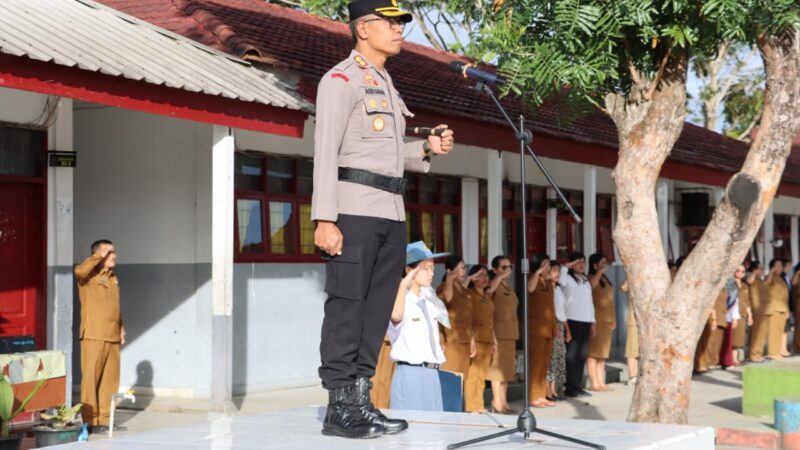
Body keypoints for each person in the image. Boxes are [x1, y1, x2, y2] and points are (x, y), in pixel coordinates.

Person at [312, 0, 455, 439]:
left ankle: (361, 401)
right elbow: (326, 152)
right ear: (363, 28)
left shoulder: (387, 85)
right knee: (347, 308)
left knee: (375, 312)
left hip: (391, 212)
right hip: (352, 212)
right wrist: (324, 218)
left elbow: (386, 156)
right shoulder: (340, 80)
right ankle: (339, 407)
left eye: (400, 23)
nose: (398, 30)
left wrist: (425, 148)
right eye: (389, 22)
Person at [387, 242, 449, 411]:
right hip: (411, 373)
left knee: (435, 425)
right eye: (426, 268)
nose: (432, 273)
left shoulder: (428, 302)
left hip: (432, 373)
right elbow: (395, 316)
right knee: (413, 426)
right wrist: (403, 284)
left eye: (432, 268)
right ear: (409, 270)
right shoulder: (400, 301)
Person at [75, 239, 126, 434]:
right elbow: (80, 271)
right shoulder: (88, 276)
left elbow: (115, 307)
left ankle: (105, 419)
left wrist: (121, 328)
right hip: (93, 334)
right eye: (109, 252)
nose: (114, 255)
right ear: (97, 255)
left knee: (110, 381)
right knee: (91, 380)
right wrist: (98, 256)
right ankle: (90, 421)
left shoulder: (113, 278)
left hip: (112, 335)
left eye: (114, 252)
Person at [486, 255, 519, 414]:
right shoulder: (494, 283)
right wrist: (499, 277)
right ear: (495, 269)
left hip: (510, 332)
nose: (507, 270)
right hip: (498, 332)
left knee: (507, 370)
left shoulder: (507, 287)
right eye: (503, 267)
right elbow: (489, 291)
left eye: (509, 267)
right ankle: (496, 401)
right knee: (496, 369)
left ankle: (503, 401)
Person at [561, 252, 596, 398]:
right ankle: (570, 387)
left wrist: (593, 322)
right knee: (572, 354)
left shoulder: (585, 281)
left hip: (585, 320)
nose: (581, 265)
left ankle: (577, 385)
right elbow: (561, 279)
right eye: (578, 262)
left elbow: (590, 303)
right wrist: (567, 266)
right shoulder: (568, 279)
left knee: (582, 355)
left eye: (583, 262)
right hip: (572, 320)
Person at [463, 265, 498, 413]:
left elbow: (491, 320)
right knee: (473, 374)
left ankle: (479, 405)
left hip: (487, 338)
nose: (485, 278)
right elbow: (467, 317)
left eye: (486, 275)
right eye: (480, 275)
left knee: (482, 375)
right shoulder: (468, 294)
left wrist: (494, 339)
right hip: (476, 338)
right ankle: (471, 407)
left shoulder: (487, 296)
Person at [437, 256, 475, 382]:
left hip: (464, 339)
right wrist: (449, 279)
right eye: (461, 268)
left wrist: (472, 338)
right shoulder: (443, 287)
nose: (463, 271)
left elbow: (468, 317)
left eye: (464, 268)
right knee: (450, 378)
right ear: (450, 270)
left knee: (461, 379)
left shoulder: (464, 290)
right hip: (450, 340)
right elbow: (447, 299)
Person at [527, 253, 556, 407]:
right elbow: (530, 289)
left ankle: (541, 394)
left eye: (549, 265)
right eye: (544, 264)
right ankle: (533, 395)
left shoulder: (548, 282)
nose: (548, 267)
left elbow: (552, 306)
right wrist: (538, 273)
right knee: (535, 363)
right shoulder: (533, 278)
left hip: (549, 327)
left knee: (544, 363)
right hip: (536, 328)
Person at [587, 253, 615, 392]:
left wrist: (613, 318)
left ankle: (601, 381)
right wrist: (599, 272)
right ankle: (594, 382)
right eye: (602, 262)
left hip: (607, 319)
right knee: (593, 352)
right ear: (595, 265)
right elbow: (591, 286)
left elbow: (610, 301)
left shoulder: (605, 278)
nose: (605, 265)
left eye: (605, 262)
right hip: (596, 319)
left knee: (603, 353)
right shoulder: (591, 277)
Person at [546, 261, 570, 401]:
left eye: (558, 271)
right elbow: (551, 310)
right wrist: (555, 326)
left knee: (558, 358)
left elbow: (562, 312)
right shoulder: (547, 289)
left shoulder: (559, 289)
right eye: (554, 270)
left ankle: (554, 389)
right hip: (552, 325)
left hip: (561, 324)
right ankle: (547, 390)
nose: (557, 274)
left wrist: (568, 330)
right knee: (551, 358)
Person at [764, 259, 790, 359]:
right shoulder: (770, 276)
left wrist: (787, 310)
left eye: (781, 266)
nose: (779, 268)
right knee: (773, 331)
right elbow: (767, 282)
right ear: (772, 267)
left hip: (782, 308)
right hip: (774, 308)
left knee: (780, 331)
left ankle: (777, 351)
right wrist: (771, 271)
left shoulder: (781, 279)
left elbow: (785, 296)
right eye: (777, 266)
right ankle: (772, 353)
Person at [747, 261, 769, 362]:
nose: (762, 271)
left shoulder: (760, 279)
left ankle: (759, 353)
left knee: (762, 334)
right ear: (754, 269)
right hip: (756, 310)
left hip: (764, 310)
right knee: (756, 334)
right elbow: (749, 281)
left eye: (763, 269)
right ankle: (753, 355)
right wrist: (754, 273)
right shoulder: (751, 277)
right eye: (760, 268)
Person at [731, 265, 752, 366]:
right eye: (738, 270)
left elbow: (747, 302)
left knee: (740, 337)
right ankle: (733, 359)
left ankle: (738, 358)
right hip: (733, 314)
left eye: (743, 271)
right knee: (734, 338)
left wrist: (750, 315)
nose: (740, 272)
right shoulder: (730, 284)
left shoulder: (745, 286)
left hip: (743, 314)